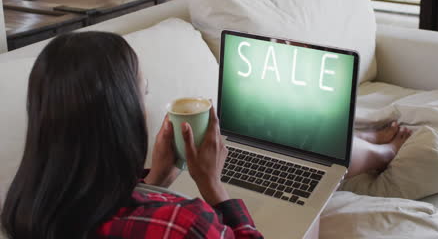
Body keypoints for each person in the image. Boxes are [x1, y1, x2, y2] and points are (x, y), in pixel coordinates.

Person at [0, 32, 263, 239]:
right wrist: (212, 185)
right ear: (122, 114)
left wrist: (155, 181)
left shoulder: (23, 209)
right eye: (143, 93)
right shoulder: (184, 224)